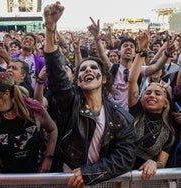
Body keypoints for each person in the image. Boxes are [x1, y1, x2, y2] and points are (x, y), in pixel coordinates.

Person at [43, 2, 136, 186]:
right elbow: (55, 72)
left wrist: (90, 173)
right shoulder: (71, 103)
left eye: (94, 67)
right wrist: (50, 28)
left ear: (103, 79)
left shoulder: (121, 117)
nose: (88, 70)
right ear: (77, 81)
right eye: (83, 69)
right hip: (66, 181)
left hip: (100, 182)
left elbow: (125, 156)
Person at [0, 72, 57, 185]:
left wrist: (48, 158)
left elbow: (53, 130)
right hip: (5, 182)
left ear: (6, 94)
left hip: (36, 179)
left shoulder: (34, 110)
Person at [128, 30, 176, 180]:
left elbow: (162, 161)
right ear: (142, 98)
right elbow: (132, 80)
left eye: (157, 93)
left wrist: (153, 163)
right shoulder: (136, 112)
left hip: (143, 180)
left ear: (165, 103)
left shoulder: (169, 129)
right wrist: (141, 50)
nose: (152, 96)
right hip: (119, 173)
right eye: (148, 93)